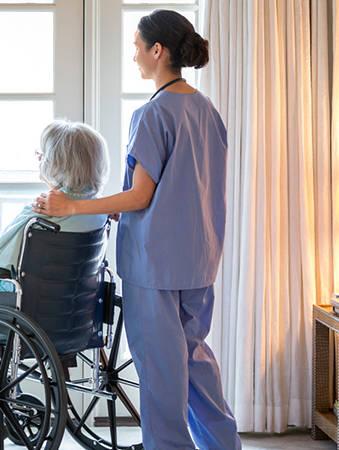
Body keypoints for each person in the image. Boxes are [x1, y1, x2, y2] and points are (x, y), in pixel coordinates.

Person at [33, 10, 241, 450]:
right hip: (199, 259)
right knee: (195, 363)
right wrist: (120, 208)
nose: (134, 56)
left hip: (156, 266)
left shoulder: (152, 114)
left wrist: (74, 204)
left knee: (162, 375)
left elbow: (141, 196)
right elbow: (186, 189)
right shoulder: (207, 111)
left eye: (136, 47)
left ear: (157, 51)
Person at [0, 118, 110, 449]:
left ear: (57, 162)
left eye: (42, 153)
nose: (38, 158)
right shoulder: (98, 212)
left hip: (23, 318)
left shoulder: (41, 212)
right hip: (71, 319)